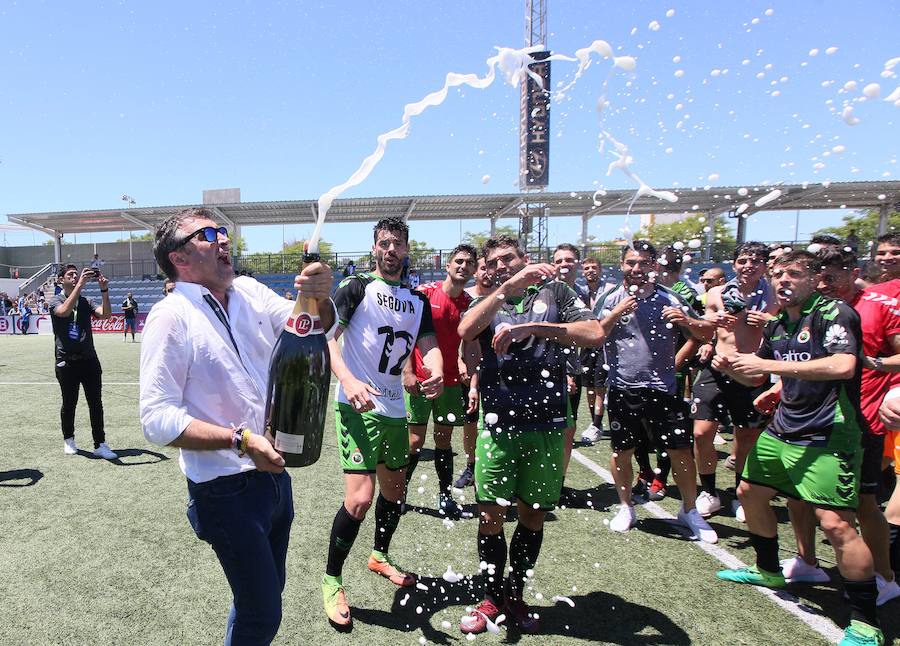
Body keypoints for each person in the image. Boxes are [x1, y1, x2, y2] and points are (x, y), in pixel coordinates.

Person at [140, 208, 337, 645]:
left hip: (273, 478)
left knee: (264, 595)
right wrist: (241, 441)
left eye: (223, 232)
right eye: (209, 235)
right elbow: (156, 419)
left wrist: (320, 294)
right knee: (262, 613)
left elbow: (314, 325)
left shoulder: (248, 290)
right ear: (179, 258)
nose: (224, 241)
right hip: (223, 491)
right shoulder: (171, 316)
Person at [715, 250, 884, 646]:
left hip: (829, 432)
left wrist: (770, 369)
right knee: (748, 492)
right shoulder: (777, 326)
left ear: (814, 279)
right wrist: (732, 366)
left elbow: (843, 365)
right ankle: (769, 569)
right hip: (783, 429)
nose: (783, 280)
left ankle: (865, 623)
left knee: (836, 523)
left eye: (793, 273)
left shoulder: (833, 313)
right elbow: (757, 375)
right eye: (777, 274)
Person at [457, 235, 604, 634]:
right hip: (499, 424)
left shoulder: (556, 290)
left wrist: (533, 327)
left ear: (525, 258)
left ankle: (516, 594)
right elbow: (466, 330)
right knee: (490, 515)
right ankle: (490, 597)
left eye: (510, 258)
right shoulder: (488, 297)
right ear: (487, 269)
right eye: (495, 262)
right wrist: (505, 290)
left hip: (547, 424)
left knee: (533, 515)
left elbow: (593, 333)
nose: (503, 265)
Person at [322, 217, 443, 630]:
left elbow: (429, 347)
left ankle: (379, 555)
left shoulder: (418, 299)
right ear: (374, 248)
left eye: (398, 243)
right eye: (384, 243)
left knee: (395, 490)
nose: (391, 249)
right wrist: (348, 379)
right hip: (357, 406)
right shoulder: (356, 287)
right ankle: (332, 579)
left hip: (396, 410)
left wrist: (438, 370)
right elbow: (327, 337)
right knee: (359, 499)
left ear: (407, 249)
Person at [596, 241, 717, 540]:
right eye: (631, 263)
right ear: (622, 265)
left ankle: (689, 510)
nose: (637, 269)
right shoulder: (609, 297)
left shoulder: (670, 297)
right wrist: (616, 313)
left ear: (654, 266)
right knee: (622, 451)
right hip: (624, 388)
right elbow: (593, 334)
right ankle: (626, 506)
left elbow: (704, 333)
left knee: (680, 451)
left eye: (644, 263)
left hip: (663, 390)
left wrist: (687, 322)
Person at [692, 242, 778, 521]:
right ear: (734, 263)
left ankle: (742, 493)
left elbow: (787, 329)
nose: (748, 265)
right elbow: (703, 322)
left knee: (745, 436)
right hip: (717, 368)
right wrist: (712, 322)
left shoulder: (774, 296)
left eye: (756, 260)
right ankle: (708, 492)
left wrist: (767, 322)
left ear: (765, 265)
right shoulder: (717, 292)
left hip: (751, 371)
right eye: (743, 260)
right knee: (701, 433)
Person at [404, 244, 477, 519]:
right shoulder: (424, 294)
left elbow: (469, 344)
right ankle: (400, 492)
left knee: (444, 440)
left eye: (469, 263)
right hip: (421, 380)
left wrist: (467, 371)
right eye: (459, 261)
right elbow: (408, 334)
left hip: (449, 384)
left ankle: (444, 495)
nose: (463, 266)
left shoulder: (469, 304)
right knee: (414, 442)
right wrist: (409, 371)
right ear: (448, 265)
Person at [49, 264, 117, 460]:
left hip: (89, 360)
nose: (74, 276)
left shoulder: (86, 301)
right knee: (69, 403)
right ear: (61, 279)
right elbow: (63, 311)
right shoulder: (55, 300)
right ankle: (69, 439)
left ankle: (100, 444)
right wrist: (79, 285)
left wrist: (104, 290)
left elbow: (105, 314)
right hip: (66, 362)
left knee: (96, 403)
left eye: (76, 274)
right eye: (70, 274)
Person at [551, 243, 591, 504]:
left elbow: (585, 333)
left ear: (577, 263)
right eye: (559, 260)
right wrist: (562, 371)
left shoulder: (583, 292)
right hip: (550, 372)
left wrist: (571, 371)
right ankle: (545, 480)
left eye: (569, 259)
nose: (564, 264)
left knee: (568, 429)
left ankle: (559, 483)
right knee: (549, 430)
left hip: (572, 370)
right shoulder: (547, 292)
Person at [453, 255, 496, 489]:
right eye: (482, 268)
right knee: (470, 420)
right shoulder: (467, 298)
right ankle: (471, 465)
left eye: (491, 268)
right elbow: (462, 337)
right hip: (471, 370)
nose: (487, 273)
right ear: (476, 272)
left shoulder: (505, 297)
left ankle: (495, 468)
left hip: (498, 372)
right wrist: (461, 363)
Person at [578, 255, 611, 444]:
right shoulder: (581, 292)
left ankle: (597, 424)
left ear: (600, 269)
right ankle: (594, 422)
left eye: (593, 267)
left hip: (603, 344)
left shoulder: (609, 290)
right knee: (589, 385)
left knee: (600, 385)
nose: (590, 270)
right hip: (586, 343)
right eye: (587, 268)